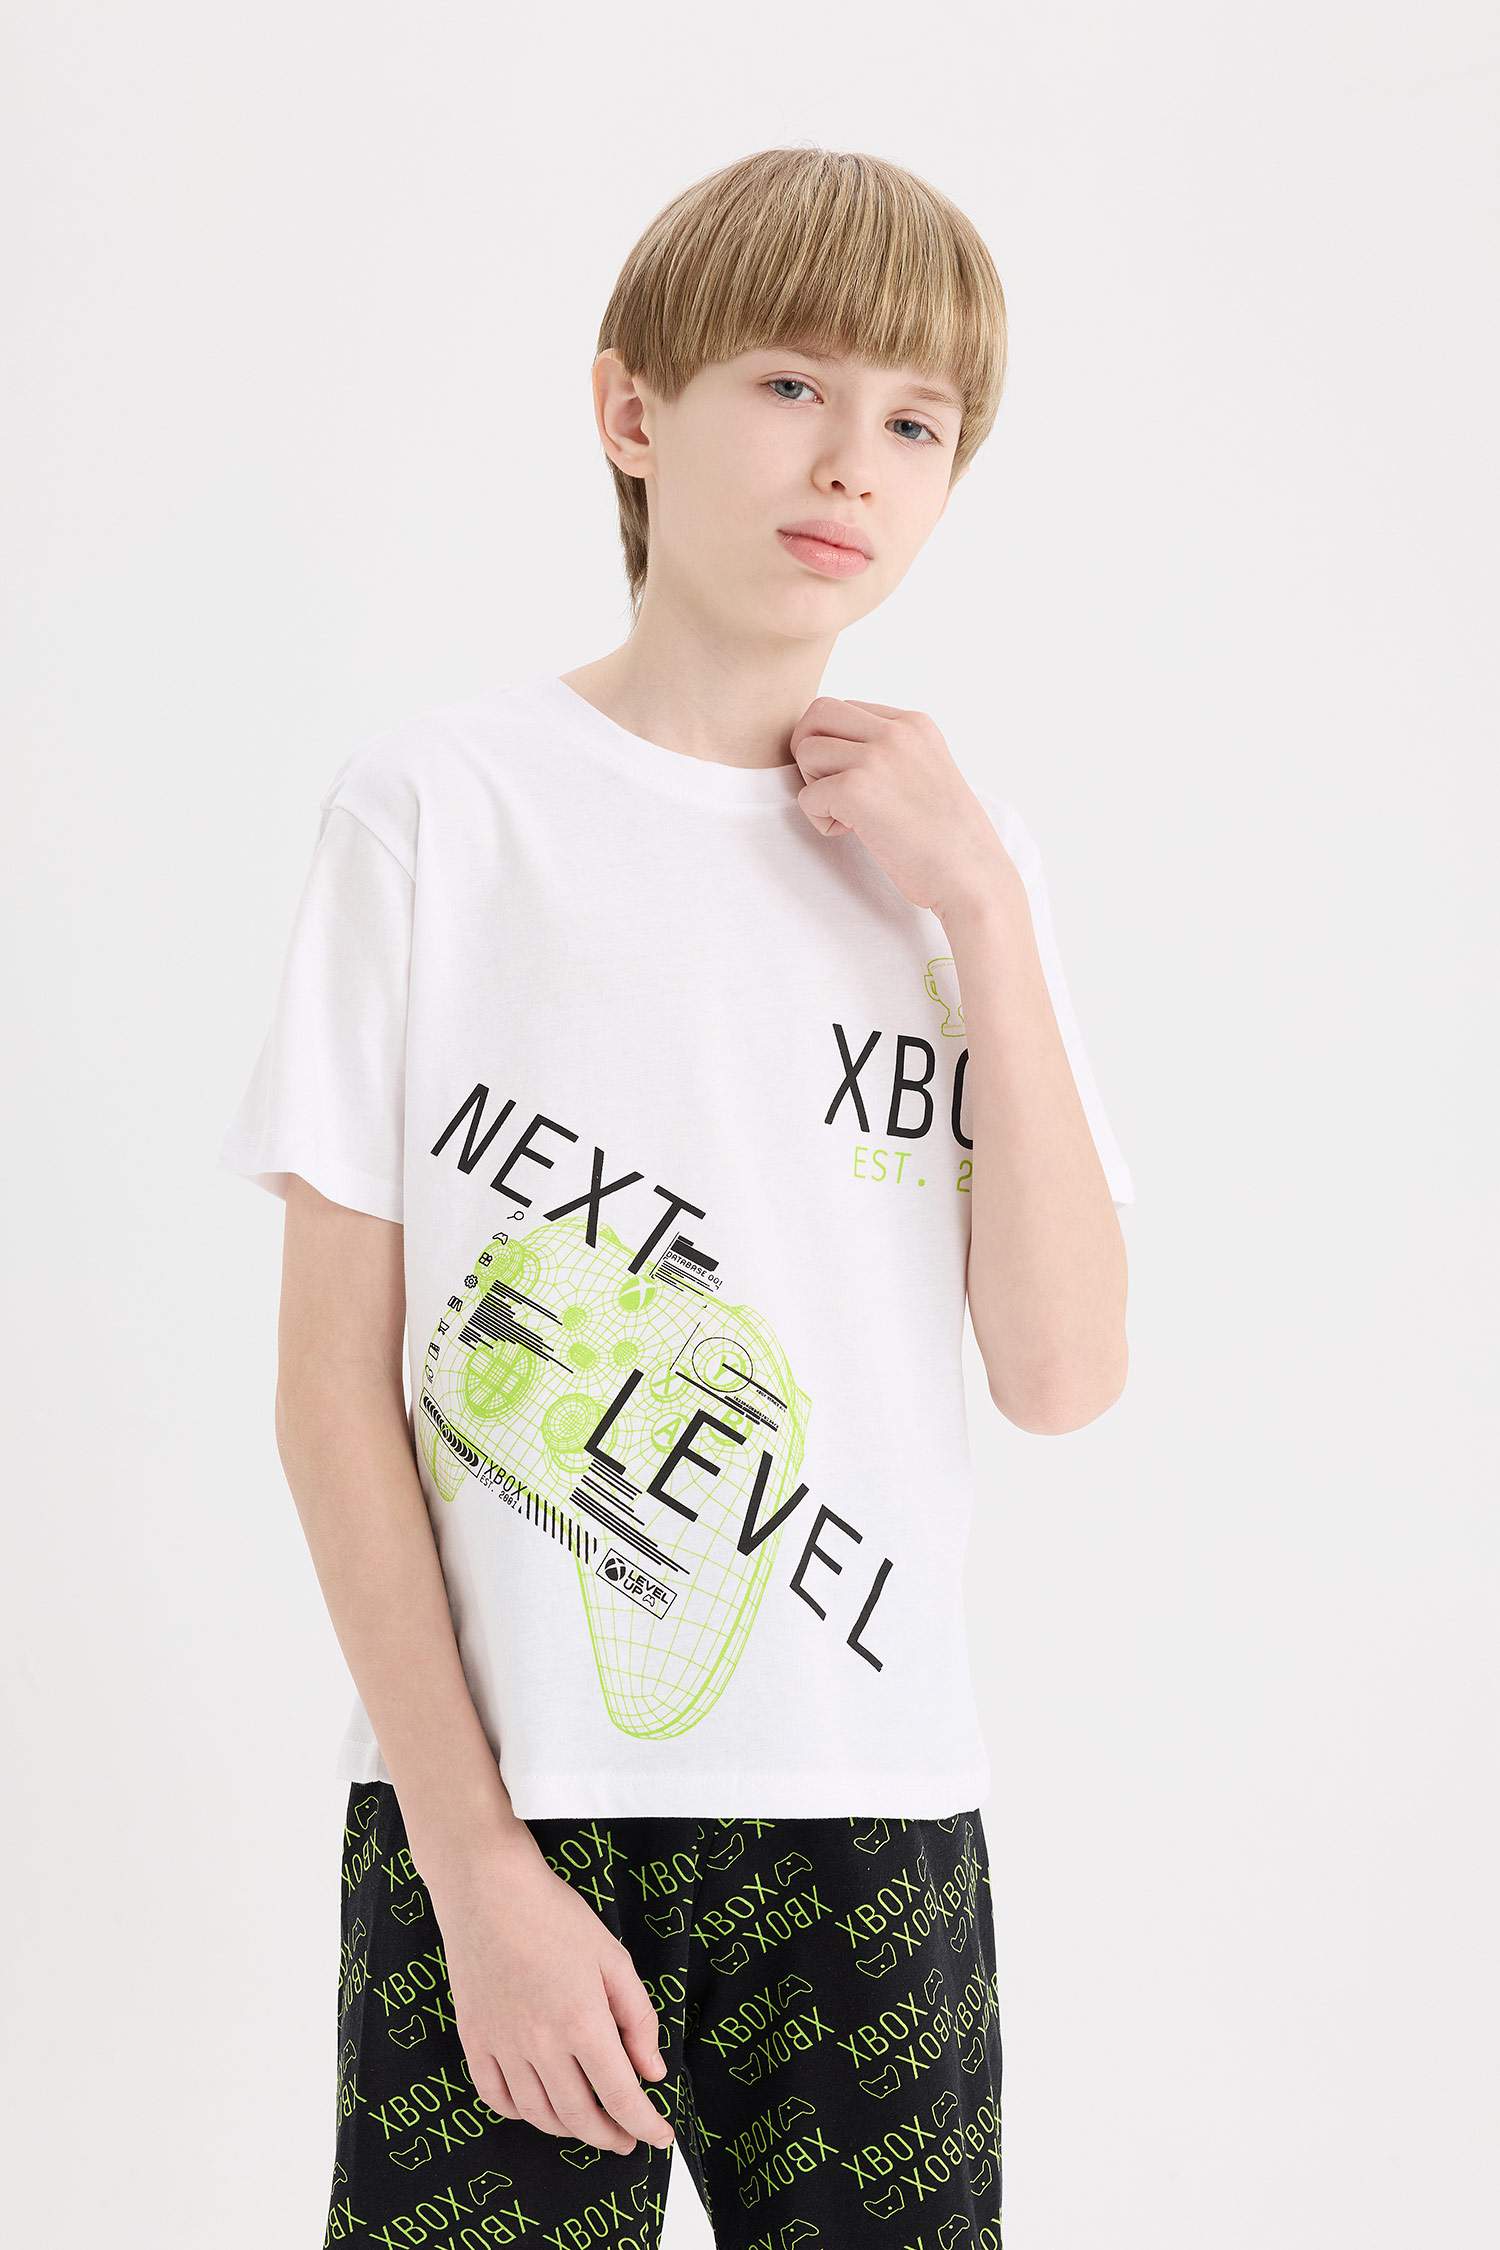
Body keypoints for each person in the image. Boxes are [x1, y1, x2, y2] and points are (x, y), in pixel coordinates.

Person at [218, 143, 1134, 2249]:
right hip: (509, 1806)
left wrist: (985, 912)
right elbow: (333, 1391)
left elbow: (1064, 1371)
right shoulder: (443, 810)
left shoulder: (963, 866)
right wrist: (476, 1869)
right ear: (631, 410)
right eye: (792, 385)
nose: (853, 462)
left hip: (874, 1813)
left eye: (917, 422)